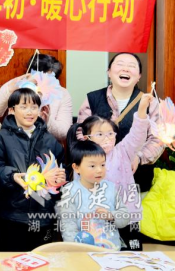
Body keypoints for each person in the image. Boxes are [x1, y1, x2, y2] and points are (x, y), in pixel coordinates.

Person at [68, 93, 154, 251]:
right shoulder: (83, 159)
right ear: (87, 138)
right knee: (101, 254)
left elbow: (137, 135)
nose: (107, 138)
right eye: (100, 134)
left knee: (132, 254)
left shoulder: (123, 150)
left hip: (127, 216)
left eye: (110, 134)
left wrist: (142, 110)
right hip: (97, 220)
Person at [0, 88, 66, 251]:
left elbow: (60, 167)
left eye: (34, 107)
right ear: (12, 110)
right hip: (11, 213)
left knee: (40, 259)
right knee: (11, 260)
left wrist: (59, 178)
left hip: (42, 212)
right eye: (23, 107)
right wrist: (12, 176)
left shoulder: (50, 140)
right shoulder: (1, 137)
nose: (30, 112)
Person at [77, 52, 164, 193]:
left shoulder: (149, 102)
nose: (125, 69)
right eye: (120, 64)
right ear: (109, 72)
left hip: (137, 181)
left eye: (132, 66)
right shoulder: (92, 99)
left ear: (139, 76)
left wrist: (138, 157)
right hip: (97, 183)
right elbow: (81, 134)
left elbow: (158, 139)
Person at [56, 141, 129, 250]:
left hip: (111, 250)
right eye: (92, 166)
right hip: (83, 251)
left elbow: (125, 217)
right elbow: (68, 225)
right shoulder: (70, 191)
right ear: (76, 168)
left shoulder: (110, 188)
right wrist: (74, 249)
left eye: (103, 165)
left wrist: (111, 215)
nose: (99, 170)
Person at [0, 53, 73, 142]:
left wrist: (47, 120)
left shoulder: (62, 93)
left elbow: (64, 133)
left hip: (45, 144)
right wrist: (13, 88)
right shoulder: (17, 84)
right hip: (13, 141)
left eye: (50, 79)